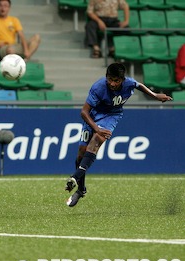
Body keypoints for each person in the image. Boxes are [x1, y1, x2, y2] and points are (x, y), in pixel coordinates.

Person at [65, 62, 172, 207]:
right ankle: (81, 190)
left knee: (97, 140)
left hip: (111, 116)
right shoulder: (98, 87)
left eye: (116, 80)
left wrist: (154, 95)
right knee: (81, 154)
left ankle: (75, 177)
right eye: (110, 79)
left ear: (122, 79)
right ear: (106, 77)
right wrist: (96, 127)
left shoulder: (129, 83)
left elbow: (138, 85)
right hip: (93, 116)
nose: (112, 83)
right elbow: (84, 112)